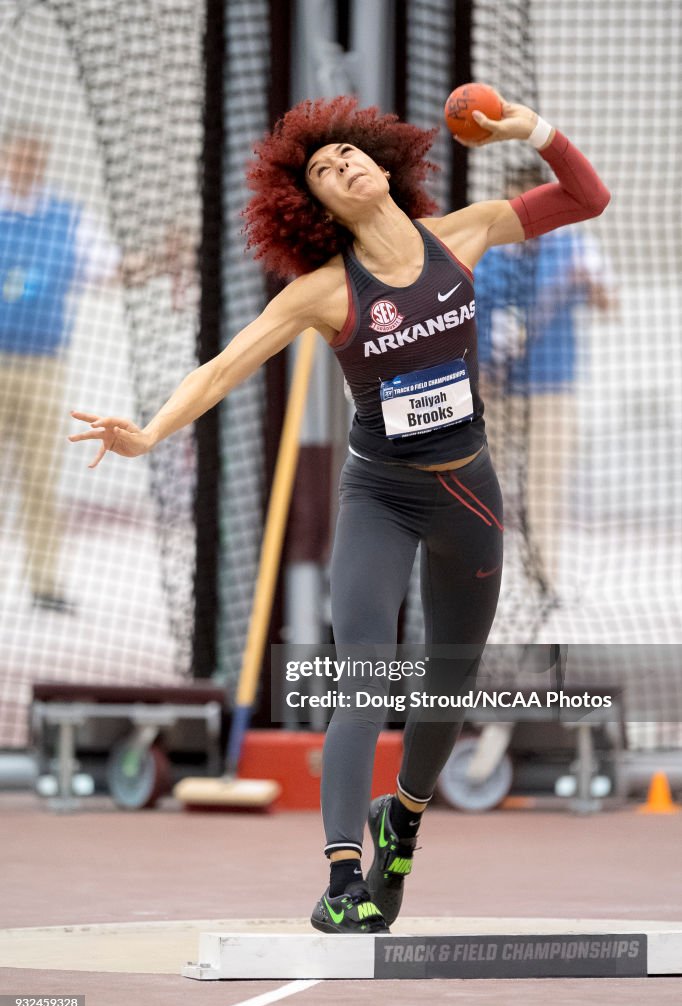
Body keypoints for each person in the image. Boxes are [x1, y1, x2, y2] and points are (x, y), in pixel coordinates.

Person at [69, 93, 610, 933]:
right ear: (315, 207)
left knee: (446, 689)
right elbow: (220, 368)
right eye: (321, 170)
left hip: (468, 493)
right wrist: (147, 433)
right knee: (363, 675)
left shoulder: (464, 234)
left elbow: (587, 198)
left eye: (347, 154)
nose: (341, 166)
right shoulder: (322, 292)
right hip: (379, 499)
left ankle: (403, 823)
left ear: (382, 163)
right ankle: (342, 877)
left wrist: (529, 129)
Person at [0, 125, 189, 613]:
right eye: (16, 159)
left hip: (42, 365)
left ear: (43, 162)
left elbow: (111, 269)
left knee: (39, 477)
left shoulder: (64, 219)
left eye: (32, 160)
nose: (24, 168)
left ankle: (45, 584)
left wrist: (161, 260)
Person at [475, 165, 616, 590]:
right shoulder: (488, 251)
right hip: (493, 388)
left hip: (552, 386)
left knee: (545, 485)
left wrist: (588, 283)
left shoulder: (574, 246)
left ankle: (545, 580)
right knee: (483, 485)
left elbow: (610, 304)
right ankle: (481, 582)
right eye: (513, 202)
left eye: (529, 202)